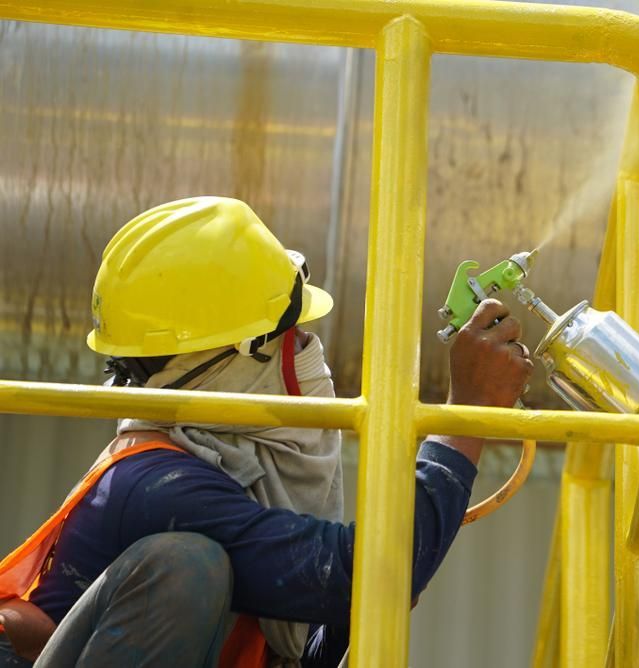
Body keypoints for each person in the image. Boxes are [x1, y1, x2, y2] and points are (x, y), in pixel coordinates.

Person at [0, 196, 533, 667]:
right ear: (238, 356)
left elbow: (297, 649)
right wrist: (468, 410)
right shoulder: (157, 485)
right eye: (294, 332)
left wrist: (352, 610)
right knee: (185, 565)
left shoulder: (217, 474)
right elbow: (366, 573)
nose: (307, 350)